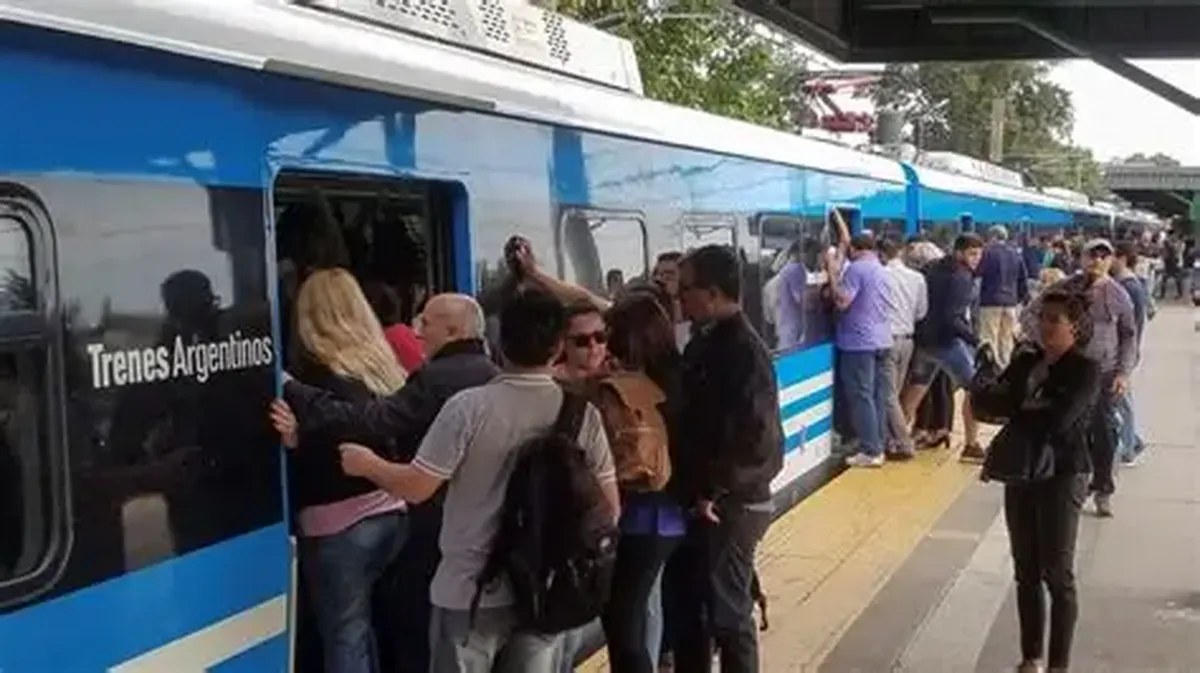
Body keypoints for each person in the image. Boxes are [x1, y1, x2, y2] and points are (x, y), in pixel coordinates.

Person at [338, 289, 620, 673]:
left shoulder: (468, 408)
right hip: (544, 589)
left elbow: (418, 487)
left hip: (468, 593)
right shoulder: (582, 415)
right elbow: (609, 510)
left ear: (499, 343)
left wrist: (367, 464)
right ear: (558, 348)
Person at [271, 293, 499, 673]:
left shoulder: (438, 378)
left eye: (425, 323)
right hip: (438, 526)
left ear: (455, 330)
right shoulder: (492, 374)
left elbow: (371, 422)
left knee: (363, 633)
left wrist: (291, 388)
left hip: (433, 529)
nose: (415, 331)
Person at [277, 269, 409, 673]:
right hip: (392, 514)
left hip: (339, 528)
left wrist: (298, 441)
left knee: (344, 636)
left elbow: (339, 435)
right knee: (368, 628)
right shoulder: (381, 365)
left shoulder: (312, 373)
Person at [673, 245, 782, 673]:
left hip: (731, 504)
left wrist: (712, 491)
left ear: (713, 293)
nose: (679, 299)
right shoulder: (711, 341)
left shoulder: (741, 351)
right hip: (719, 499)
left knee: (729, 614)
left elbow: (756, 438)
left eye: (686, 290)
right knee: (701, 608)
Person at [985, 290, 1101, 673]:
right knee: (1026, 570)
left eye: (1055, 319)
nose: (1045, 325)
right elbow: (992, 405)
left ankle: (1058, 665)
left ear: (1076, 327)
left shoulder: (1084, 369)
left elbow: (1061, 420)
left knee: (1058, 573)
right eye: (1043, 317)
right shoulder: (1026, 360)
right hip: (1021, 471)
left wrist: (1023, 405)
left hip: (1064, 473)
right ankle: (1030, 657)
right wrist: (1024, 400)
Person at [595, 293, 688, 673]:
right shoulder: (678, 377)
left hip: (638, 516)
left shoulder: (622, 390)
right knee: (641, 608)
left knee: (622, 619)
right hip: (673, 517)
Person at [1020, 238, 1136, 517]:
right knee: (1069, 428)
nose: (1096, 261)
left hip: (1104, 373)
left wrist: (1123, 372)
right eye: (1091, 255)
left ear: (1111, 260)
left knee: (1104, 432)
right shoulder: (1063, 289)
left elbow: (1129, 335)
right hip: (1068, 372)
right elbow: (1028, 316)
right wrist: (1047, 344)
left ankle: (1103, 488)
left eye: (1103, 256)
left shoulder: (1119, 295)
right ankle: (1069, 481)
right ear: (1081, 258)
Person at [902, 234, 985, 461]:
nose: (976, 259)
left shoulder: (930, 268)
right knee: (975, 389)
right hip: (947, 343)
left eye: (978, 254)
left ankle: (896, 439)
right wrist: (975, 340)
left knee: (915, 390)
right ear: (958, 253)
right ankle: (971, 445)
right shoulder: (962, 276)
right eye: (972, 253)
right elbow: (953, 318)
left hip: (924, 341)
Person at [827, 235, 896, 467]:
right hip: (882, 340)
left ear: (854, 250)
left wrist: (833, 274)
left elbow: (842, 301)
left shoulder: (856, 269)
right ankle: (878, 442)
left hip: (858, 343)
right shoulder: (882, 269)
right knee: (877, 395)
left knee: (860, 395)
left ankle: (870, 449)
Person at [878, 237, 927, 459]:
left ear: (881, 255)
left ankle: (903, 443)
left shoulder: (880, 275)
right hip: (908, 340)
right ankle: (891, 441)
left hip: (886, 339)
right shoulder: (917, 278)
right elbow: (921, 313)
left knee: (888, 395)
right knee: (894, 393)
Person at [1110, 242, 1148, 467]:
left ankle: (1131, 445)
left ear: (1122, 258)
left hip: (1122, 352)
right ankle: (1132, 440)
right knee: (1117, 401)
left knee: (1120, 401)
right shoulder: (1129, 285)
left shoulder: (1129, 287)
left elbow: (1132, 325)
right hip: (1123, 351)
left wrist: (1128, 353)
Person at [977, 225, 1029, 367]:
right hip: (1011, 302)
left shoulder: (986, 253)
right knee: (1007, 341)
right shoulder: (1015, 254)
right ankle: (1006, 370)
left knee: (989, 340)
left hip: (990, 301)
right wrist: (1021, 299)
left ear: (993, 237)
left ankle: (990, 371)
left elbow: (978, 274)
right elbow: (1022, 279)